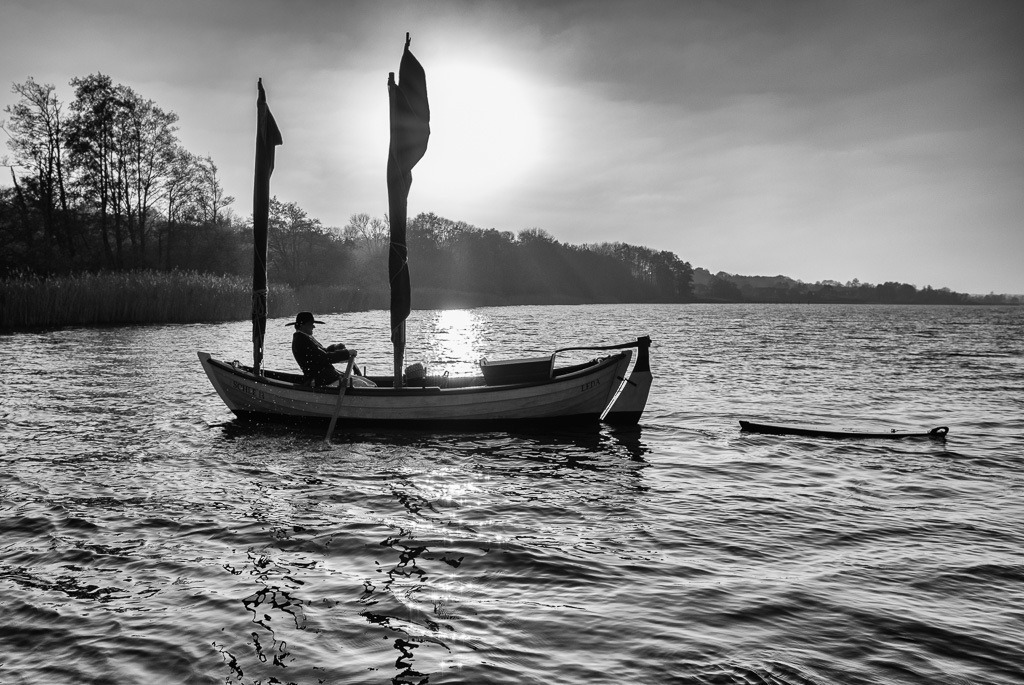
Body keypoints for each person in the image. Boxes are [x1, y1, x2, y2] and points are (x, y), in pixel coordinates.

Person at [287, 311, 364, 386]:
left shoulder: (304, 337)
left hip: (327, 378)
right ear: (302, 325)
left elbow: (321, 353)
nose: (313, 326)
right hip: (321, 380)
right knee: (363, 384)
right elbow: (325, 357)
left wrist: (335, 348)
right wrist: (347, 353)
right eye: (310, 324)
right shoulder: (301, 340)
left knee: (365, 382)